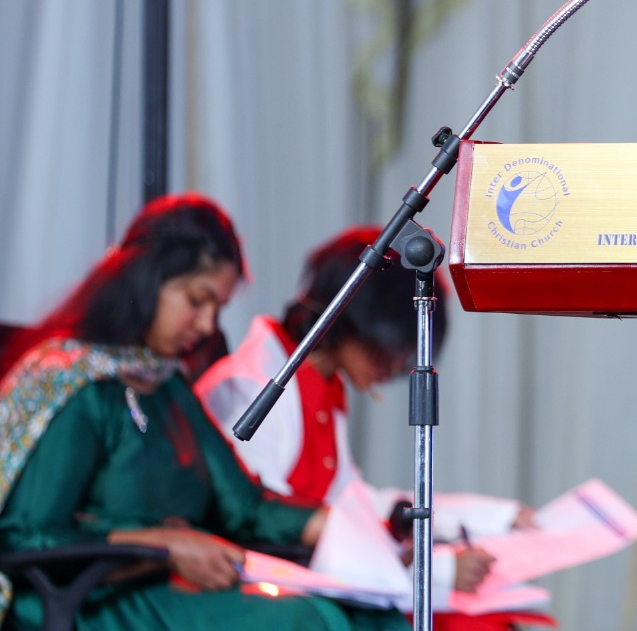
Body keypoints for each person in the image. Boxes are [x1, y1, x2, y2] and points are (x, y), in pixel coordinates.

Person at [0, 194, 406, 631]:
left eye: (218, 308)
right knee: (304, 620)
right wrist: (162, 545)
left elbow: (244, 508)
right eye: (197, 300)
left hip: (161, 591)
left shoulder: (166, 385)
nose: (209, 325)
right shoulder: (76, 383)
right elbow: (25, 536)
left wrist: (328, 524)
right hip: (93, 601)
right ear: (147, 279)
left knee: (374, 616)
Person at [196, 226, 537, 623]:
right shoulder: (249, 386)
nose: (396, 368)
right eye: (393, 352)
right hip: (278, 594)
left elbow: (352, 501)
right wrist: (436, 570)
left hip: (321, 582)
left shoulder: (322, 383)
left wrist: (495, 517)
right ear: (357, 320)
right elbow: (267, 526)